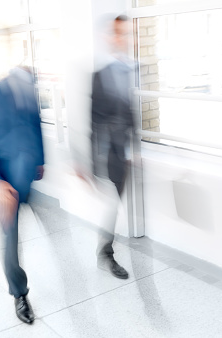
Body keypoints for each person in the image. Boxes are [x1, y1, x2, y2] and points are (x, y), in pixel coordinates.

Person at [0, 65, 44, 324]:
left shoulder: (29, 89)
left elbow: (35, 125)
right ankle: (19, 294)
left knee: (44, 226)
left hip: (27, 175)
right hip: (5, 185)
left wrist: (41, 161)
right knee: (10, 239)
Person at [76, 15, 135, 279]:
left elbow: (129, 112)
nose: (123, 38)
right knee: (112, 204)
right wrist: (90, 168)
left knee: (116, 203)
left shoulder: (129, 69)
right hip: (108, 154)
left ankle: (105, 250)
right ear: (108, 37)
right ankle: (106, 253)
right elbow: (93, 123)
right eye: (117, 33)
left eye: (126, 33)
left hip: (123, 153)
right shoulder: (99, 76)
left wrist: (134, 151)